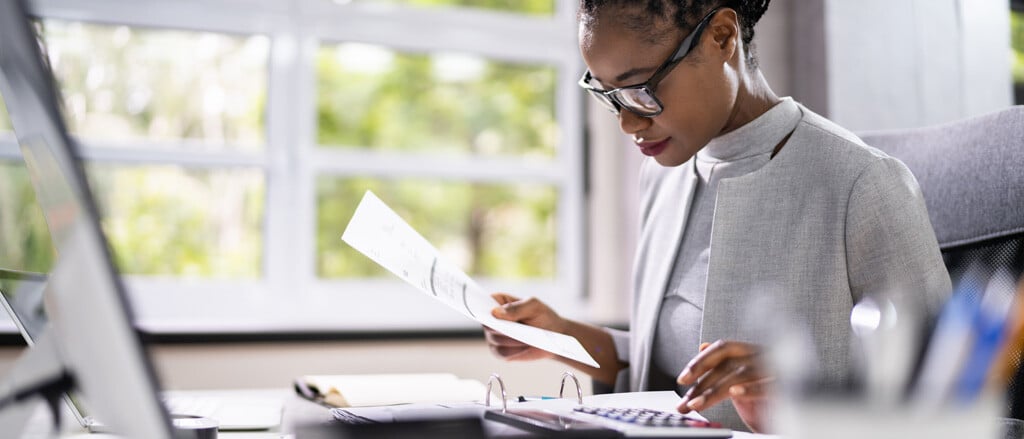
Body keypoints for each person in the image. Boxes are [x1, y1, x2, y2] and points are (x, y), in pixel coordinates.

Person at [483, 0, 951, 433]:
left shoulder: (861, 182)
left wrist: (795, 396)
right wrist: (562, 334)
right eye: (609, 95)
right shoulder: (662, 177)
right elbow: (664, 371)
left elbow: (950, 400)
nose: (627, 121)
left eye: (641, 88)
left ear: (722, 37)